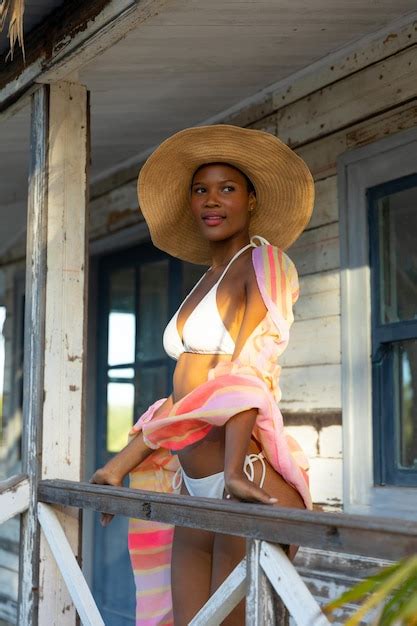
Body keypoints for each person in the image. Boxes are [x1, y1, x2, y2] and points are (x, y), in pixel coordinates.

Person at [91, 124, 315, 625]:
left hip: (245, 475)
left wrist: (234, 470)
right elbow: (185, 401)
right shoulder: (206, 280)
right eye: (201, 190)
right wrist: (119, 464)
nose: (212, 200)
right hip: (195, 483)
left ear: (252, 200)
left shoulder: (264, 262)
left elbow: (250, 372)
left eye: (228, 188)